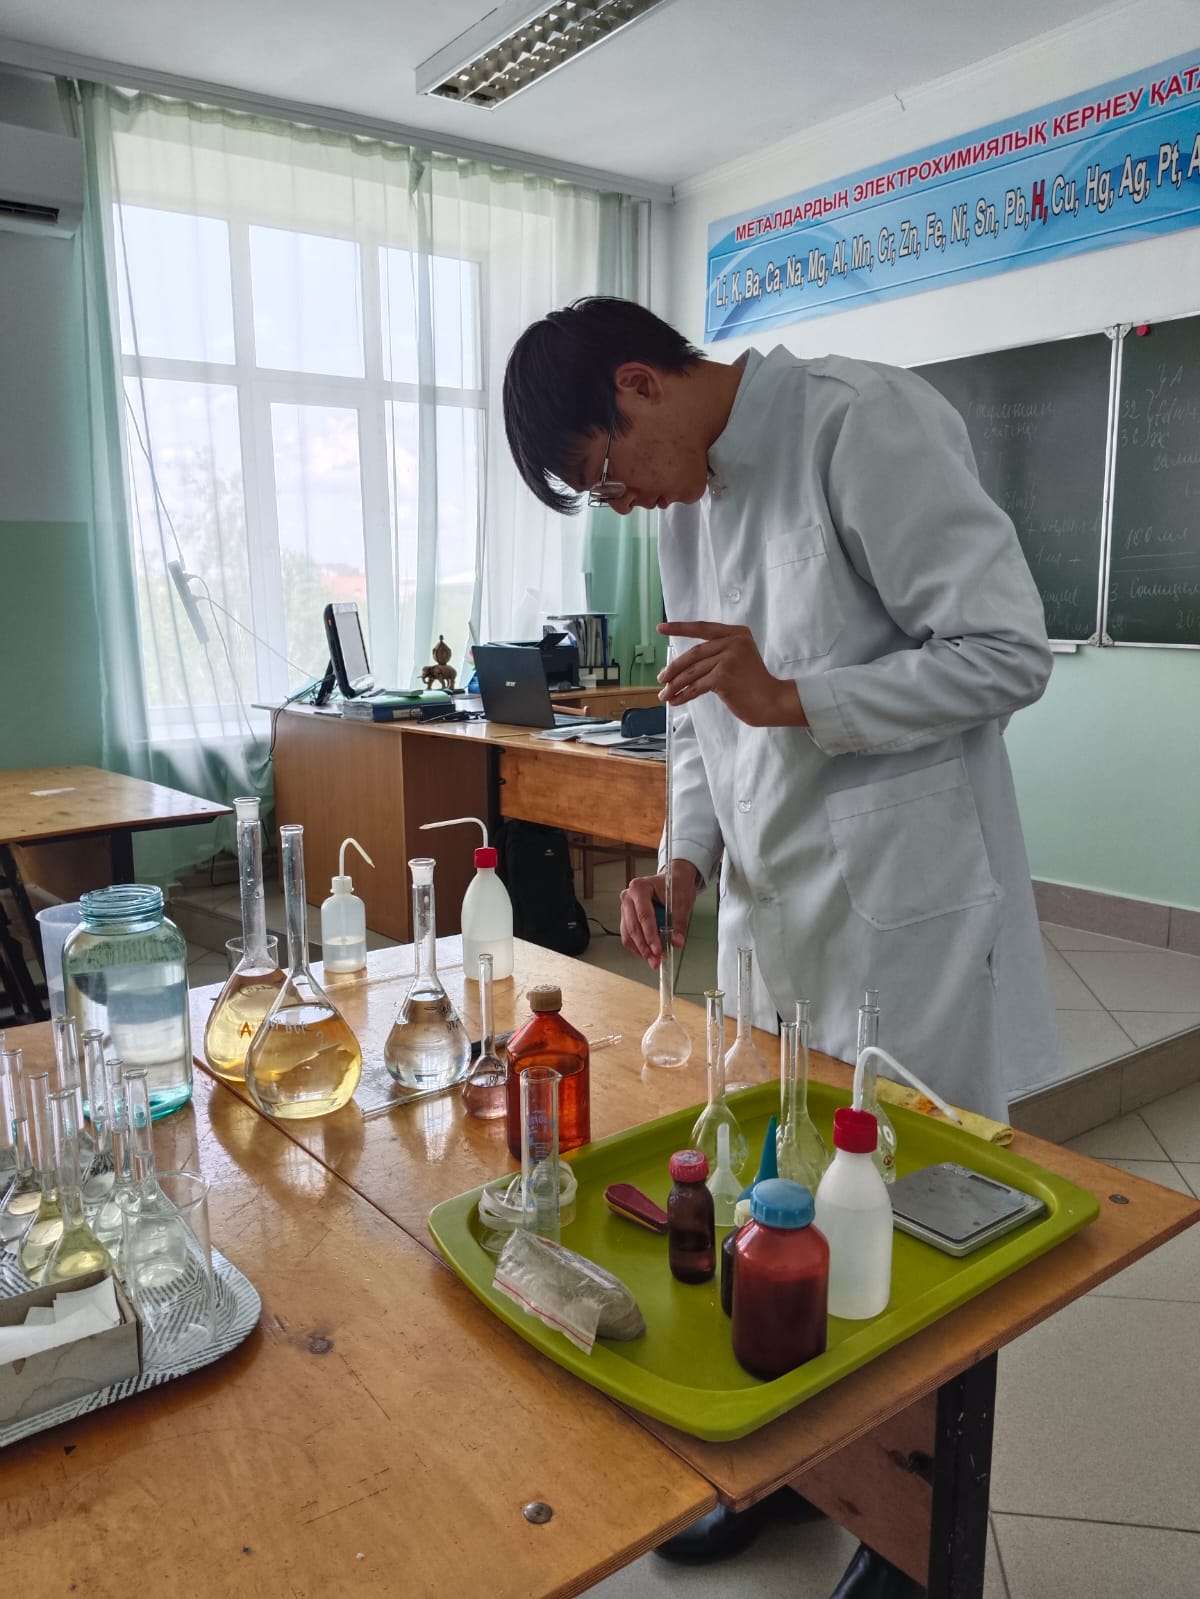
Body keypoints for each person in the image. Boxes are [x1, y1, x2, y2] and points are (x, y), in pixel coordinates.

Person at [502, 296, 1062, 1594]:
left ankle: (910, 1531)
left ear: (640, 383)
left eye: (606, 473)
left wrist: (799, 697)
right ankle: (800, 1477)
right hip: (772, 923)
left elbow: (1008, 655)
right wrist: (682, 861)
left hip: (905, 920)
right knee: (781, 1197)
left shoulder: (860, 424)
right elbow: (703, 722)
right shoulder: (685, 505)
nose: (625, 505)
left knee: (912, 1221)